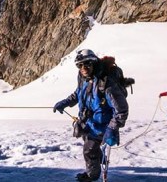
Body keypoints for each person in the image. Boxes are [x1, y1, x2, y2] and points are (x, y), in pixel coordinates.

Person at [53, 49, 129, 182]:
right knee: (91, 148)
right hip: (89, 123)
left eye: (87, 64)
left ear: (94, 62)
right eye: (80, 65)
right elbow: (78, 94)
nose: (83, 68)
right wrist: (64, 103)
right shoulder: (84, 79)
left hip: (103, 126)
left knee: (89, 150)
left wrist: (112, 128)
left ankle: (92, 176)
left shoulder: (106, 84)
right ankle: (96, 165)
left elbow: (121, 110)